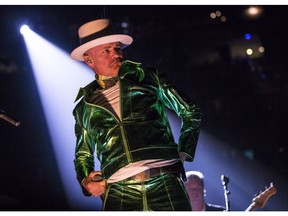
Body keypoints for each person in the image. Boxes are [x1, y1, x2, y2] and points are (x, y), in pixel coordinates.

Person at [70, 18, 202, 211]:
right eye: (106, 51)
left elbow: (191, 111)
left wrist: (183, 152)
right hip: (119, 192)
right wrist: (85, 181)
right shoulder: (84, 106)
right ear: (89, 59)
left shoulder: (147, 77)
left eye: (117, 48)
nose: (116, 54)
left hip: (165, 183)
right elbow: (82, 154)